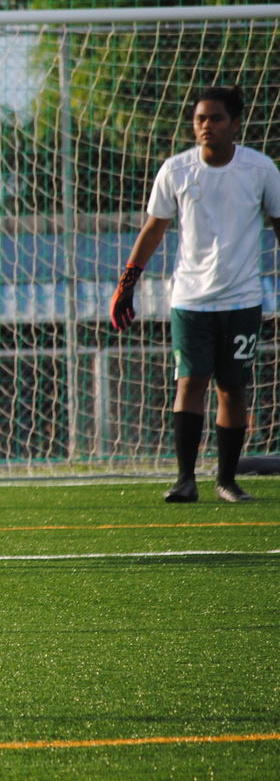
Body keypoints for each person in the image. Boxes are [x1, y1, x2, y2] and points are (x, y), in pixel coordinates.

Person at [110, 86, 280, 503]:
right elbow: (154, 228)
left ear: (235, 123)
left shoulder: (260, 170)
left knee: (233, 388)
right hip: (190, 299)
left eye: (215, 118)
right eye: (200, 118)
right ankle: (185, 479)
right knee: (190, 381)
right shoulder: (176, 170)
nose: (206, 126)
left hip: (242, 299)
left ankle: (226, 481)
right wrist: (127, 283)